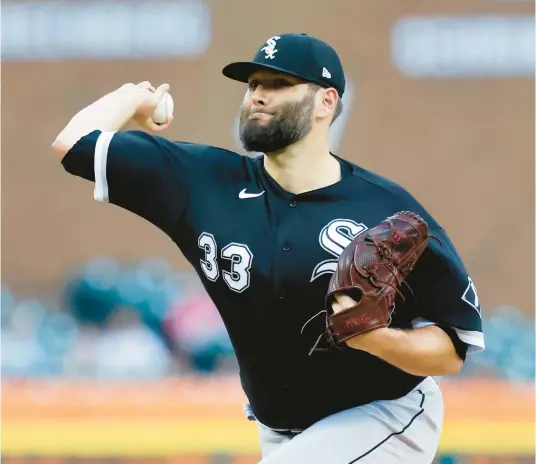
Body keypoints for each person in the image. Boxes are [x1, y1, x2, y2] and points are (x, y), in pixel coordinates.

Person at [52, 33, 485, 464]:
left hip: (387, 417)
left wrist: (377, 340)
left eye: (279, 84)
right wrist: (133, 98)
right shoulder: (203, 181)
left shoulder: (386, 209)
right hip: (279, 431)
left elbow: (451, 350)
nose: (258, 95)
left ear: (326, 101)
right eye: (253, 84)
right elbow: (73, 145)